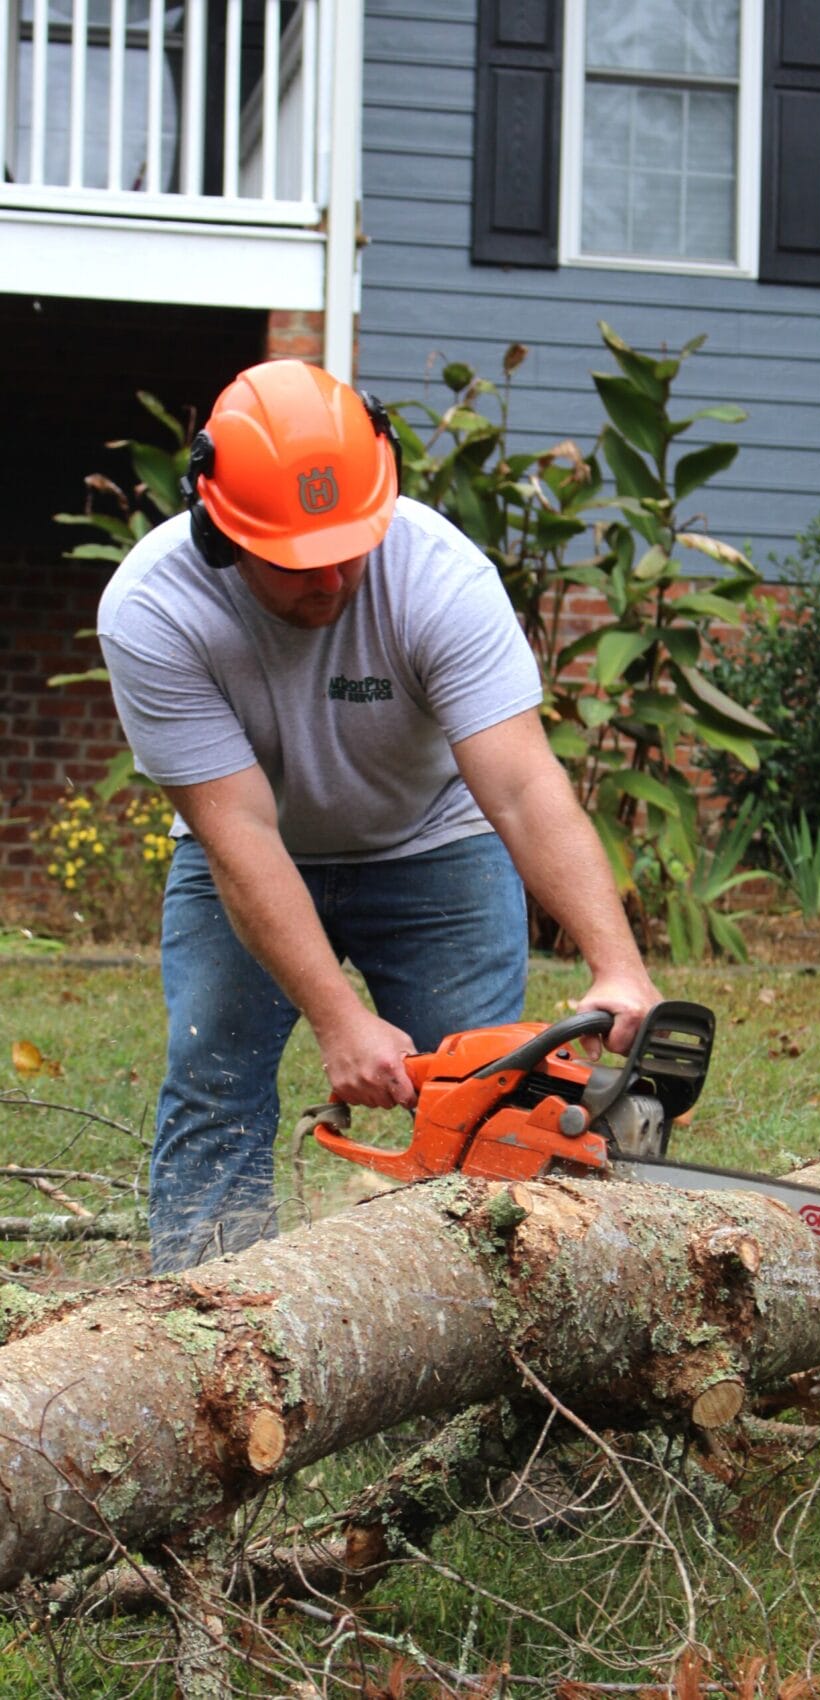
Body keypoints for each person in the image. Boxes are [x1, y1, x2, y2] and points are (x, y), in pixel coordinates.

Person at [96, 358, 661, 1273]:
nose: (327, 583)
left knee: (488, 1105)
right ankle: (196, 1330)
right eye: (294, 565)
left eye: (347, 549)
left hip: (433, 847)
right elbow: (237, 834)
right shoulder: (154, 610)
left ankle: (471, 1332)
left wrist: (618, 965)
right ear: (217, 531)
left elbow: (520, 784)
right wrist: (337, 1017)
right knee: (214, 1088)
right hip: (248, 858)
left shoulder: (441, 578)